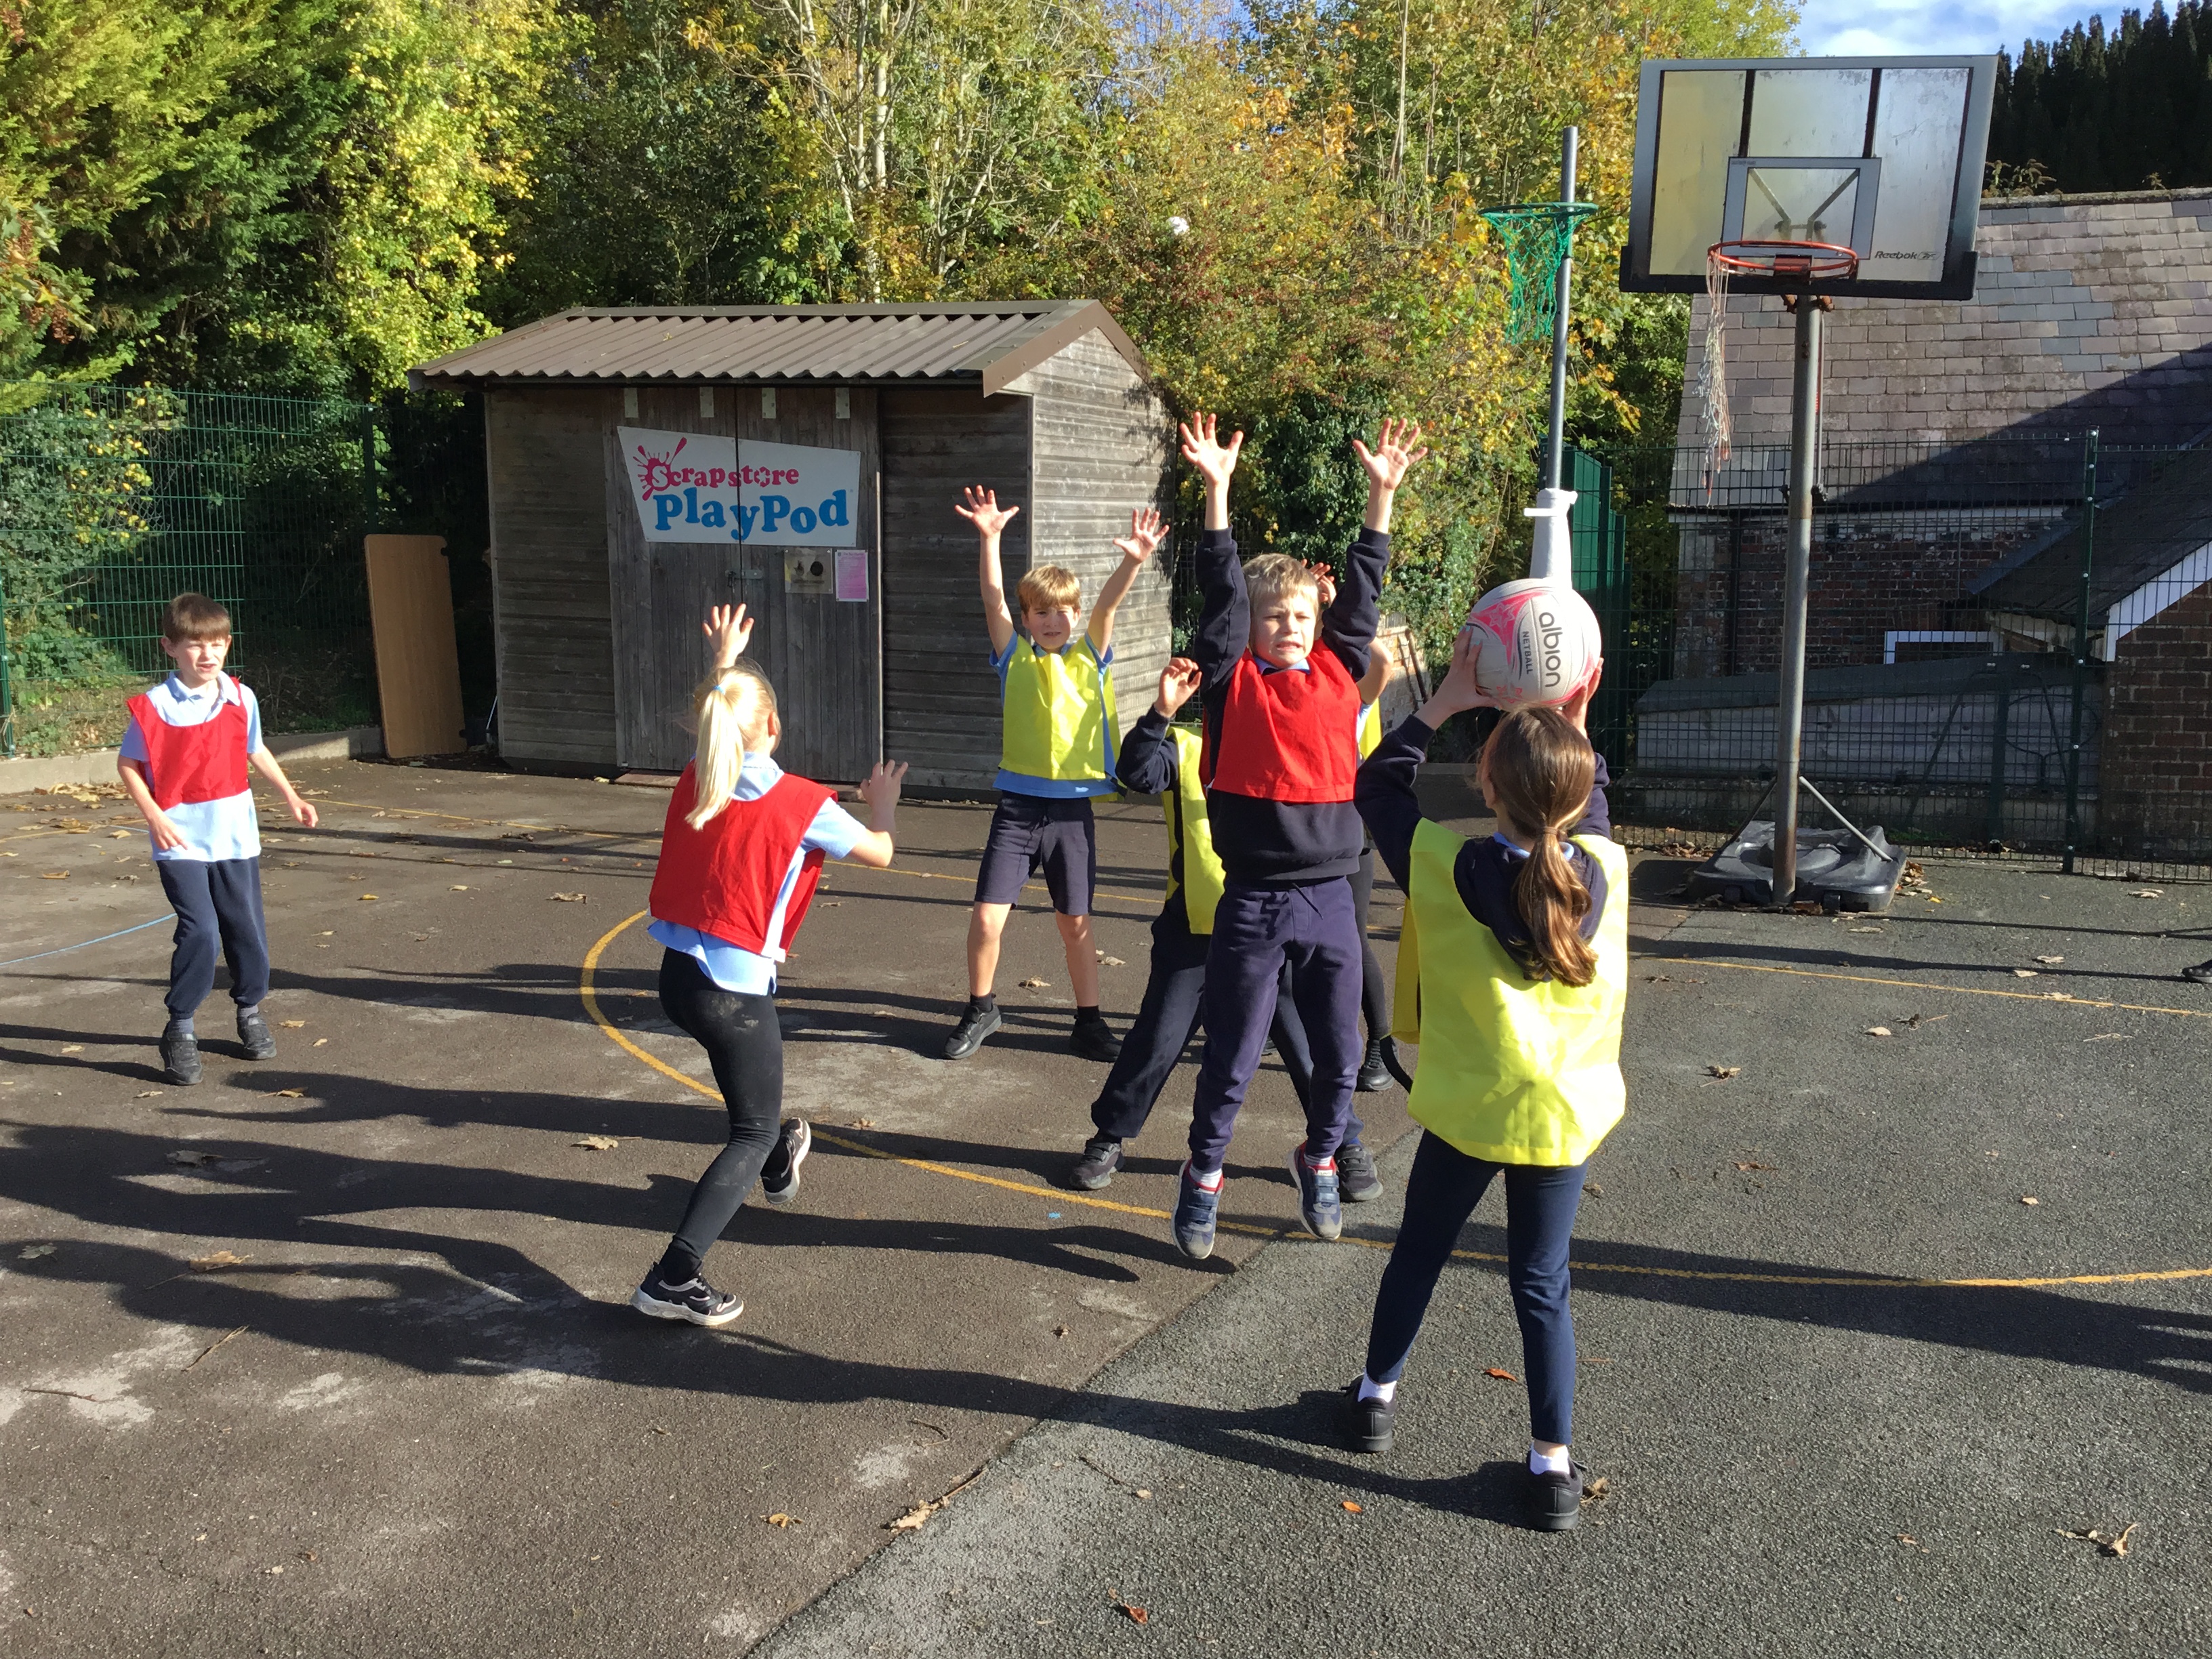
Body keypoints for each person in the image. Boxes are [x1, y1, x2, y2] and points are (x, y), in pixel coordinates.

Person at [1338, 630, 1623, 1534]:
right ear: (1577, 797)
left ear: (1485, 787)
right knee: (1543, 1285)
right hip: (1563, 1112)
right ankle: (1553, 1468)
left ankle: (1374, 1400)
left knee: (1420, 1250)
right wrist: (1574, 725)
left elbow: (1374, 783)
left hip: (1471, 1103)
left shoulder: (1447, 864)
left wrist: (1446, 698)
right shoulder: (1607, 870)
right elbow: (1592, 812)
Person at [1168, 413, 1425, 1259]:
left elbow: (1363, 586)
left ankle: (1318, 1157)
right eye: (1273, 615)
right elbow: (1221, 588)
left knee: (1342, 1056)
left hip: (1329, 899)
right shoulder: (1230, 679)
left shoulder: (1339, 670)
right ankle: (1203, 1177)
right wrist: (1217, 490)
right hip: (1252, 900)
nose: (1288, 625)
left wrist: (1381, 495)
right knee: (1233, 1061)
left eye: (1300, 615)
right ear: (1251, 627)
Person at [631, 605, 907, 1328]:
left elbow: (724, 718)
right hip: (731, 992)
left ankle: (781, 1153)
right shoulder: (803, 803)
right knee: (747, 1134)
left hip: (678, 979)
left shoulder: (699, 775)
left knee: (758, 1114)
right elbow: (882, 852)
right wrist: (884, 806)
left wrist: (726, 659)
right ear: (774, 728)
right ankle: (674, 1277)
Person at [1065, 657, 1382, 1204]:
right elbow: (1134, 772)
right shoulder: (1190, 748)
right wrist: (1161, 712)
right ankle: (1110, 1134)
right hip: (1195, 933)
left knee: (1309, 1049)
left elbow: (1354, 693)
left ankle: (1342, 1142)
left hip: (1268, 925)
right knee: (1157, 1041)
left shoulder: (1292, 743)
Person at [941, 489, 1160, 1063]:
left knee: (1076, 924)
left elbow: (1109, 607)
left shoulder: (1092, 655)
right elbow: (992, 601)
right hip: (1017, 809)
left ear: (1075, 613)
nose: (1054, 620)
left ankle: (1088, 1021)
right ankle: (982, 1006)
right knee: (988, 920)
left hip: (1071, 815)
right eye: (1041, 611)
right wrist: (990, 539)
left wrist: (1133, 560)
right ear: (1028, 617)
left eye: (1063, 610)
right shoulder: (1014, 656)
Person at [116, 593, 321, 1086]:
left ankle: (249, 1011)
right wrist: (154, 816)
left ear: (227, 645)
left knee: (245, 930)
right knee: (202, 932)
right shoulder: (154, 706)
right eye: (193, 645)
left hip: (234, 837)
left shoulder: (240, 697)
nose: (206, 655)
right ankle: (180, 1027)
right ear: (169, 647)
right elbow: (127, 765)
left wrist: (291, 796)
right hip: (180, 841)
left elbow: (256, 750)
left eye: (215, 644)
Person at [1351, 655, 1404, 1092]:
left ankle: (1380, 1043)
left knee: (1353, 938)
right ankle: (1279, 1025)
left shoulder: (1343, 693)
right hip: (1294, 831)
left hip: (1349, 830)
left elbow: (1382, 667)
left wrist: (1333, 606)